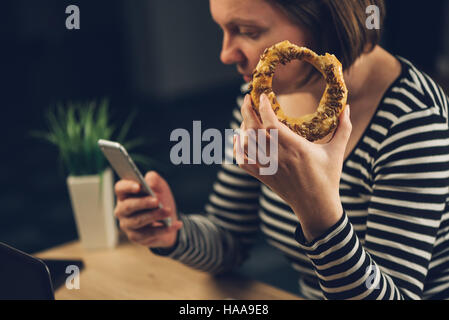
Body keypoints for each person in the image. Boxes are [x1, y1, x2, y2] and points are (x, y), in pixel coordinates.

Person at [114, 0, 449, 299]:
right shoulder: (265, 98)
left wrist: (318, 211)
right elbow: (229, 239)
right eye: (223, 29)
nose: (226, 54)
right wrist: (173, 232)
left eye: (247, 31)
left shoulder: (413, 121)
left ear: (325, 18)